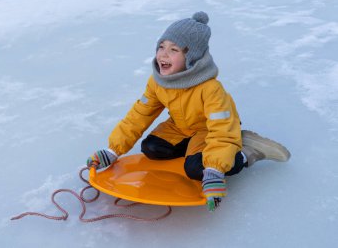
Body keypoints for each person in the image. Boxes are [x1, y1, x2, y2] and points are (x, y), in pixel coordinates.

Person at [87, 11, 291, 212]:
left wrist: (213, 170)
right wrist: (113, 150)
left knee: (196, 169)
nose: (163, 55)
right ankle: (201, 153)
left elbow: (221, 130)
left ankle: (246, 150)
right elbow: (139, 115)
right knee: (152, 148)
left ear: (191, 57)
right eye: (161, 46)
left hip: (210, 131)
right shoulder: (158, 82)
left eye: (174, 50)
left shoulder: (210, 89)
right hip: (180, 128)